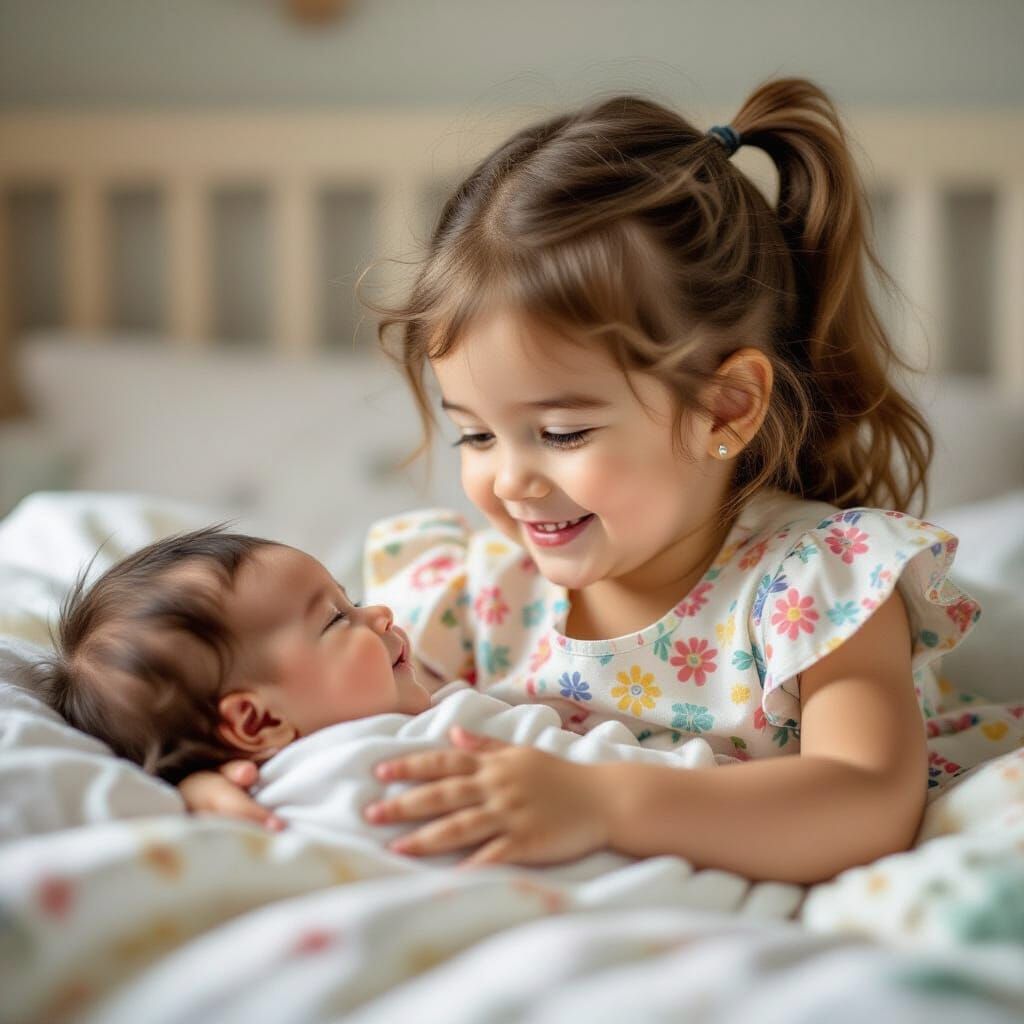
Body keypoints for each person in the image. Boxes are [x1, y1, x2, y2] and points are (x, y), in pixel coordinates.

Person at [179, 77, 987, 884]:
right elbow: (309, 710)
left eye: (562, 433)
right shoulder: (470, 597)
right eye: (475, 434)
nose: (513, 480)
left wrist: (602, 804)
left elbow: (869, 800)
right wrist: (224, 776)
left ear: (726, 409)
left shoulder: (816, 587)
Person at [32, 524, 443, 824]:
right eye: (336, 620)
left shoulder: (414, 715)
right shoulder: (348, 772)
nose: (380, 614)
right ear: (257, 719)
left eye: (351, 600)